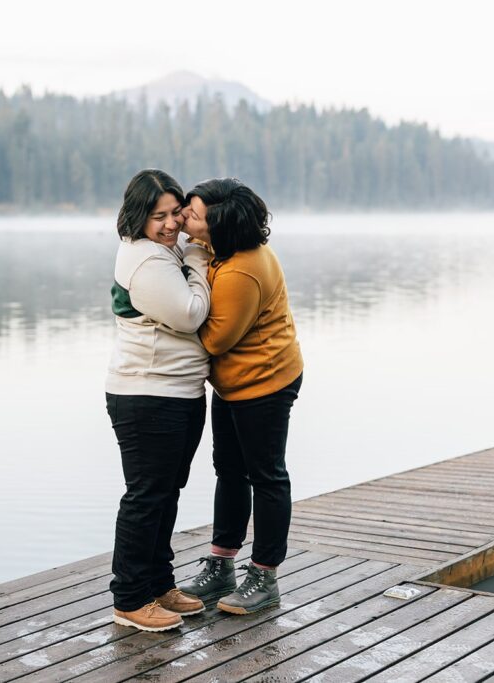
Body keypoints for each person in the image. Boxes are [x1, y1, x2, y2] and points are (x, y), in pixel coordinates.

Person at [177, 178, 304, 615]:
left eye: (191, 215)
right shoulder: (219, 251)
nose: (182, 218)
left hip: (264, 383)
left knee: (266, 475)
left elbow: (213, 339)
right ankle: (222, 564)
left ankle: (264, 576)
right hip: (233, 384)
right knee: (229, 471)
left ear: (221, 226)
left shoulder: (242, 270)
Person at [105, 169, 213, 632]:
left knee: (166, 494)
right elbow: (190, 315)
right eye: (158, 216)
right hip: (148, 394)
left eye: (175, 214)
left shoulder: (161, 252)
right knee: (147, 497)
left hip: (177, 392)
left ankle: (158, 582)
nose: (170, 224)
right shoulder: (149, 260)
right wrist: (197, 259)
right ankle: (130, 598)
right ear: (138, 216)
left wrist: (186, 261)